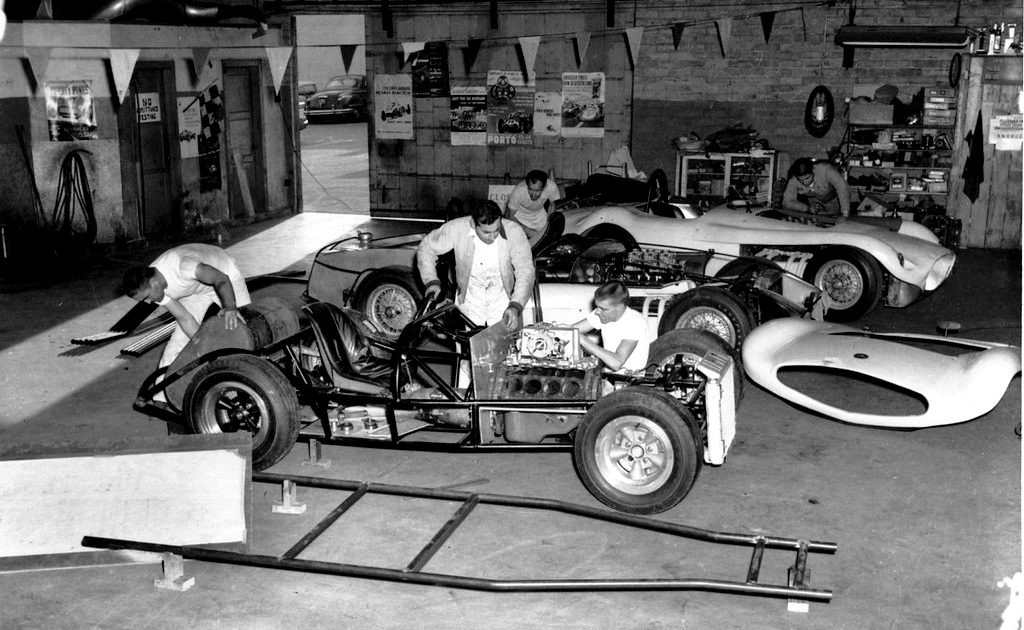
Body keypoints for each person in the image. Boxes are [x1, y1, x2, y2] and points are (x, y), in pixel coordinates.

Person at [121, 243, 250, 369]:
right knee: (175, 349)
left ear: (154, 283)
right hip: (194, 291)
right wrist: (204, 347)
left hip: (224, 274)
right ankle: (161, 388)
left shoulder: (183, 265)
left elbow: (220, 278)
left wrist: (230, 307)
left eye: (146, 297)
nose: (148, 302)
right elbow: (184, 318)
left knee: (244, 330)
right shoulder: (153, 287)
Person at [418, 199, 535, 329]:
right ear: (473, 224)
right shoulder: (457, 229)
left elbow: (525, 270)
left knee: (502, 344)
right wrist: (431, 281)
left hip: (501, 299)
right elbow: (427, 248)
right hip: (470, 299)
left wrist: (515, 305)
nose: (492, 237)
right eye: (486, 232)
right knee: (468, 344)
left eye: (496, 230)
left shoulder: (514, 232)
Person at [573, 280, 650, 374]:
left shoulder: (635, 322)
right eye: (597, 307)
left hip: (628, 382)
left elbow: (616, 363)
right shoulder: (602, 314)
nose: (597, 312)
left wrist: (584, 340)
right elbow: (571, 331)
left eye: (603, 308)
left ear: (620, 307)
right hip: (607, 377)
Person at [504, 169, 561, 247]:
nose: (533, 194)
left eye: (537, 190)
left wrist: (548, 225)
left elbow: (552, 205)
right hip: (518, 216)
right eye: (530, 189)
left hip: (538, 215)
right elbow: (509, 215)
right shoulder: (519, 191)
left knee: (548, 239)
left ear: (544, 187)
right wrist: (525, 230)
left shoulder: (551, 187)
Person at [782, 158, 851, 218]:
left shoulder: (825, 169)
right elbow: (787, 202)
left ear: (813, 170)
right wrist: (806, 208)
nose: (805, 183)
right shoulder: (794, 180)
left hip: (835, 204)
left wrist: (845, 213)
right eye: (800, 180)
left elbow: (842, 186)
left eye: (807, 178)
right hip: (815, 207)